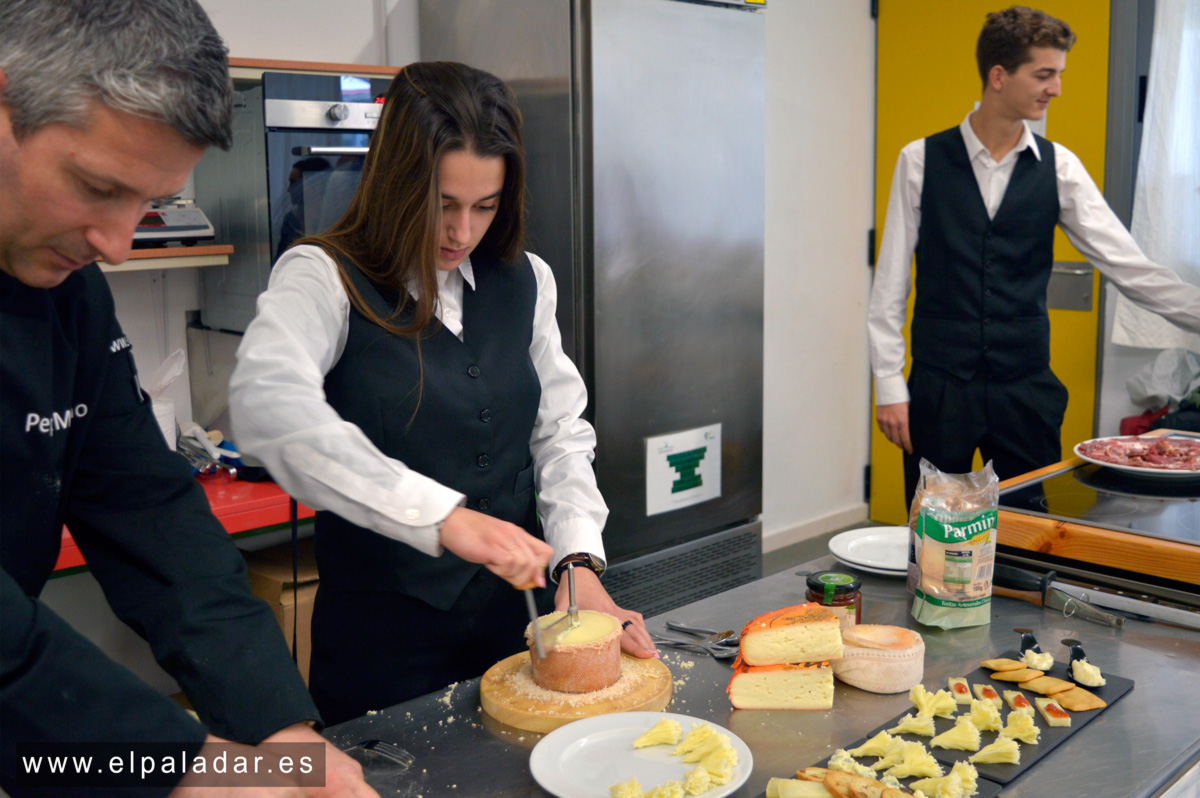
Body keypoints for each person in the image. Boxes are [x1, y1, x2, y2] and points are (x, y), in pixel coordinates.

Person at [0, 2, 377, 795]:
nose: (116, 242)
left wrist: (279, 730)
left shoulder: (67, 289)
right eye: (98, 187)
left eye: (147, 201)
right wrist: (183, 766)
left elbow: (147, 510)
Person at [229, 61, 658, 726]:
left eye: (484, 207)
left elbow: (560, 429)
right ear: (396, 184)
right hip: (383, 646)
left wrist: (577, 561)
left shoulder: (526, 280)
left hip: (515, 629)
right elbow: (266, 405)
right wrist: (442, 517)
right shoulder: (322, 277)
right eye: (443, 205)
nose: (462, 233)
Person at [867, 5, 1200, 508]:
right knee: (935, 531)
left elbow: (1131, 269)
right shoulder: (920, 160)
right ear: (999, 76)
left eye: (1059, 74)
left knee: (1027, 528)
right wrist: (889, 384)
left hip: (1024, 389)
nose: (1056, 88)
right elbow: (890, 283)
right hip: (940, 389)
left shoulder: (1061, 168)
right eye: (1044, 74)